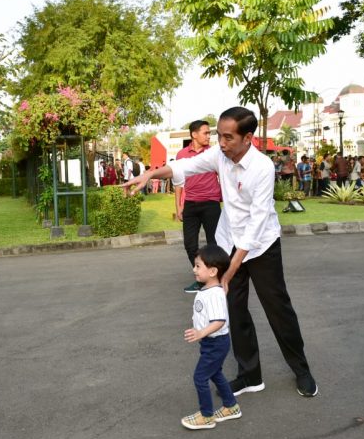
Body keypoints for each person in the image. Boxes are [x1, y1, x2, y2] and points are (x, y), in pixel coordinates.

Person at [124, 107, 318, 398]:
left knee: (278, 310)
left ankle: (301, 370)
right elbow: (184, 167)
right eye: (219, 136)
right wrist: (149, 174)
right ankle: (250, 375)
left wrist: (227, 273)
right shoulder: (219, 155)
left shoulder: (262, 167)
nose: (222, 143)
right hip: (230, 241)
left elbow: (256, 225)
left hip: (261, 245)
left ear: (248, 138)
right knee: (236, 312)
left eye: (228, 137)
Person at [181, 244, 242, 430]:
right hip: (211, 342)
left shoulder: (214, 294)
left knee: (200, 377)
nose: (194, 270)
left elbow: (219, 321)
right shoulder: (207, 289)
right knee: (215, 373)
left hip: (216, 343)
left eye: (198, 266)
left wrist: (201, 332)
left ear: (213, 271)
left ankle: (206, 416)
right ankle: (231, 407)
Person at [176, 120, 222, 294]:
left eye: (209, 133)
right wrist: (179, 206)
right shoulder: (182, 154)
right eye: (205, 133)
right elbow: (178, 182)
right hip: (190, 204)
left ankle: (217, 279)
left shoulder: (213, 153)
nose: (209, 136)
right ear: (194, 135)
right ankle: (203, 278)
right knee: (190, 245)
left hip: (211, 203)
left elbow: (222, 175)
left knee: (214, 244)